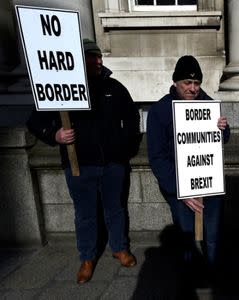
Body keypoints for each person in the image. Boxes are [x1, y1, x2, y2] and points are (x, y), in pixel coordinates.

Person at [26, 38, 141, 284]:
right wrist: (54, 135)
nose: (99, 61)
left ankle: (119, 248)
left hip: (113, 165)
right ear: (79, 60)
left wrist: (125, 148)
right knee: (85, 214)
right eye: (92, 57)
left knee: (116, 209)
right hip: (79, 165)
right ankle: (87, 258)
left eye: (99, 56)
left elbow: (132, 118)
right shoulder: (61, 88)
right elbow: (35, 122)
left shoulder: (114, 87)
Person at [146, 55, 230, 278]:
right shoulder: (160, 111)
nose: (193, 88)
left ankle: (212, 274)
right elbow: (156, 157)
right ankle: (190, 278)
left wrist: (223, 128)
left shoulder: (208, 104)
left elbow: (221, 139)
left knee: (212, 235)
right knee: (186, 238)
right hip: (180, 189)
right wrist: (181, 191)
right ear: (175, 82)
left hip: (209, 184)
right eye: (187, 83)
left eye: (197, 83)